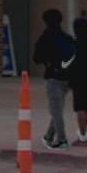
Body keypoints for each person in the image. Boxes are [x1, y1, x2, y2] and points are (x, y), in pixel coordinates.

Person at [30, 8, 73, 150]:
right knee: (58, 108)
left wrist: (47, 61)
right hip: (67, 77)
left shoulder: (45, 38)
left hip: (53, 77)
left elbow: (36, 58)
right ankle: (48, 136)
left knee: (56, 110)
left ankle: (62, 139)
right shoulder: (67, 38)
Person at [66, 16, 87, 147]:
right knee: (86, 107)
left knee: (79, 107)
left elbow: (70, 62)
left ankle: (82, 137)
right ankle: (84, 132)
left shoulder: (74, 44)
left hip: (77, 79)